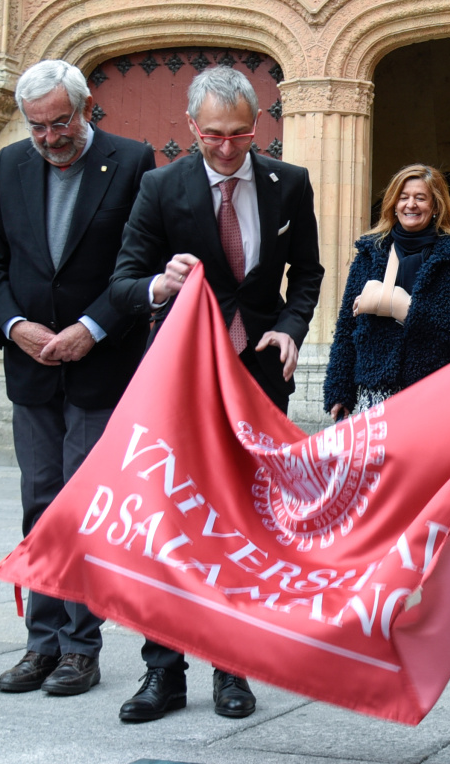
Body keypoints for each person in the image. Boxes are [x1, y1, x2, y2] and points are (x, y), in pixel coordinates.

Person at [109, 65, 324, 724]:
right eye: (212, 136)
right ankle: (163, 671)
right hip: (182, 380)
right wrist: (160, 284)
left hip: (258, 380)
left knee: (243, 523)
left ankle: (232, 665)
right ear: (191, 127)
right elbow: (124, 280)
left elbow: (308, 273)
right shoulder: (160, 186)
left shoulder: (290, 183)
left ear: (258, 125)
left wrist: (290, 328)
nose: (226, 148)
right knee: (171, 523)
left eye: (238, 134)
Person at [0, 60, 156, 697]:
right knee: (40, 504)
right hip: (32, 367)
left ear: (85, 108)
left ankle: (81, 648)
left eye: (60, 123)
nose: (50, 138)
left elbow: (140, 262)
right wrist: (13, 325)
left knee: (85, 506)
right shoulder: (10, 165)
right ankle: (41, 642)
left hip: (99, 366)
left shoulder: (132, 162)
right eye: (37, 127)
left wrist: (93, 327)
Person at [323, 164, 450, 416]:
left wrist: (396, 305)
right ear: (393, 204)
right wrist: (339, 391)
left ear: (435, 206)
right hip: (376, 389)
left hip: (435, 390)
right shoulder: (370, 252)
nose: (411, 204)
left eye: (420, 198)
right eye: (403, 197)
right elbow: (346, 327)